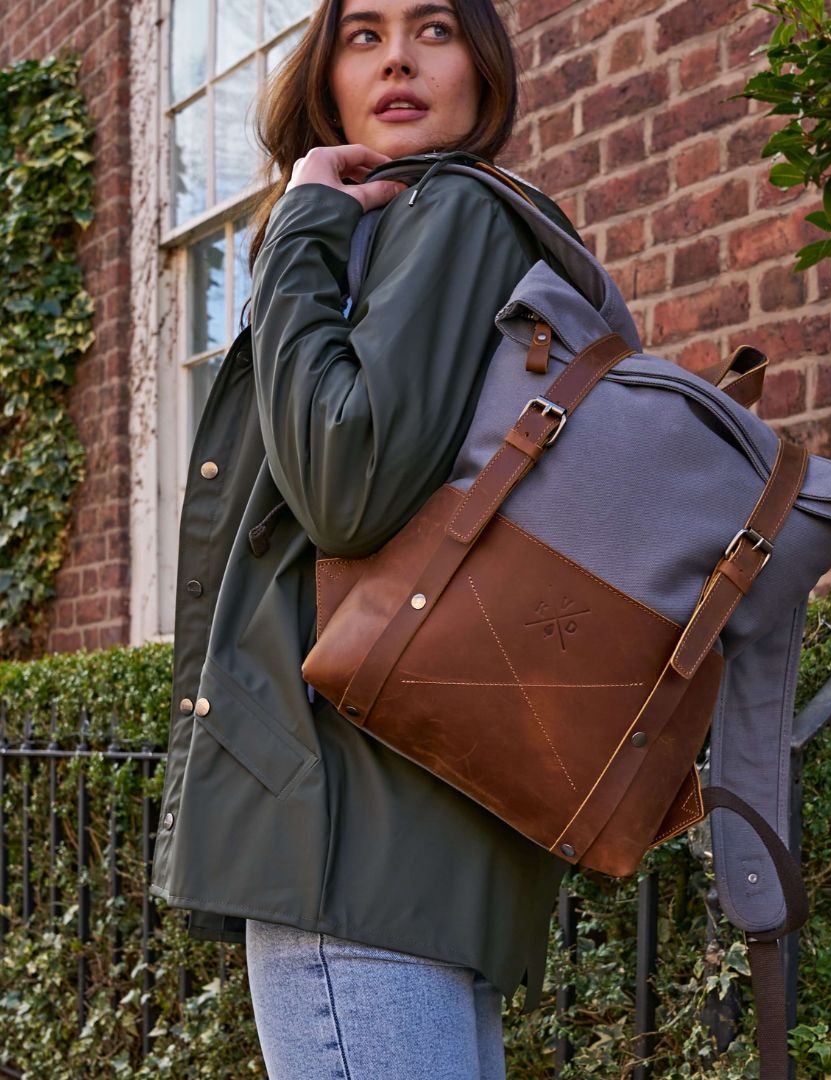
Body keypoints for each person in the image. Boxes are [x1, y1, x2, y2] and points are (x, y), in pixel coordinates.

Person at [148, 0, 585, 1077]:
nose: (396, 56)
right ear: (329, 78)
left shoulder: (451, 216)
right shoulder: (448, 233)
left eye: (434, 28)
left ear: (483, 70)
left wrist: (299, 231)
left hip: (342, 827)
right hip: (403, 830)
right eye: (362, 34)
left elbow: (345, 485)